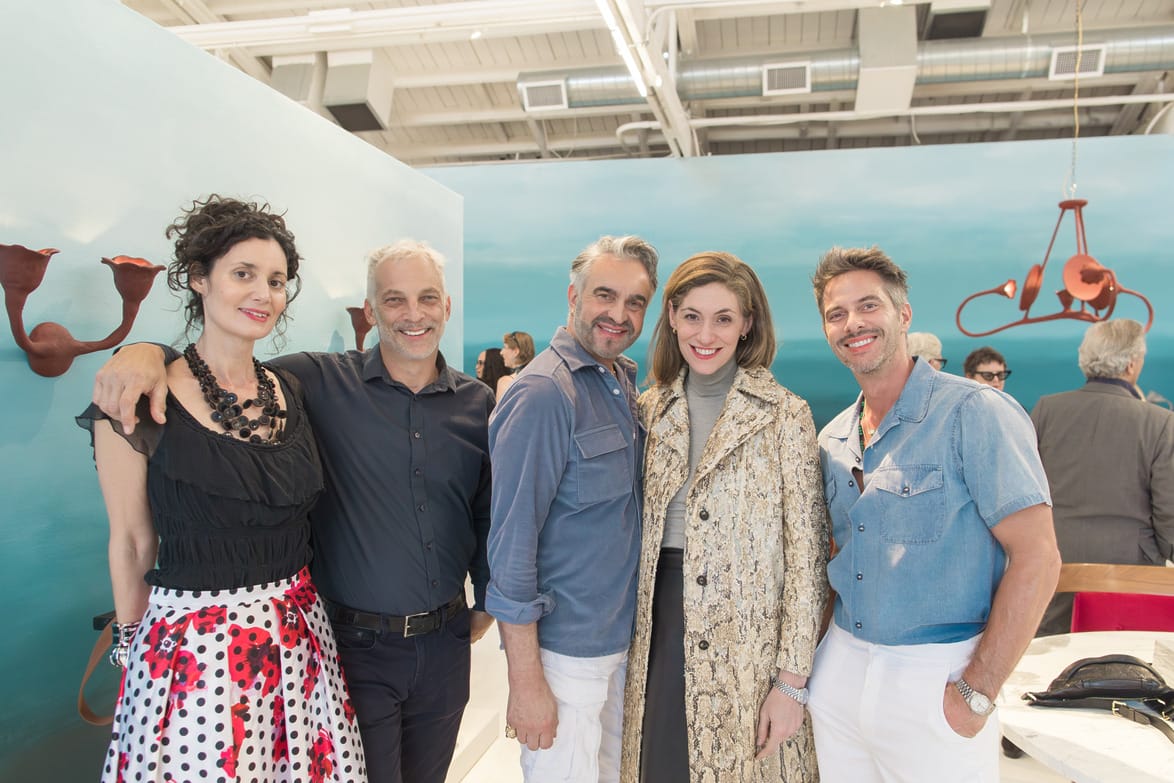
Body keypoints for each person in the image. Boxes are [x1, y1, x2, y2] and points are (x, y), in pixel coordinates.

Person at [91, 240, 495, 783]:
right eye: (394, 299)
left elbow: (486, 510)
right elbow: (217, 365)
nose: (413, 314)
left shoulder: (478, 402)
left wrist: (487, 599)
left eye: (427, 298)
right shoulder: (315, 381)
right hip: (352, 646)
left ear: (446, 306)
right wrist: (143, 349)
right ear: (371, 311)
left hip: (443, 643)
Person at [78, 195, 366, 782]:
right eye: (243, 274)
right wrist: (131, 650)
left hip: (300, 639)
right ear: (198, 279)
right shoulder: (135, 398)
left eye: (276, 281)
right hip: (195, 652)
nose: (264, 293)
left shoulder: (290, 389)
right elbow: (131, 541)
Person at [807, 246, 1060, 782]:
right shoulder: (832, 438)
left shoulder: (976, 412)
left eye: (868, 306)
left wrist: (977, 692)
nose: (853, 324)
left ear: (903, 314)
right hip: (839, 673)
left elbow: (1037, 557)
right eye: (836, 314)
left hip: (936, 677)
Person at [621, 251, 828, 782]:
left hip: (749, 643)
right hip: (657, 628)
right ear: (672, 317)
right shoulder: (648, 409)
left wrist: (791, 683)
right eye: (692, 316)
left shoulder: (785, 415)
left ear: (747, 324)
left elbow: (807, 561)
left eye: (724, 318)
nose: (706, 334)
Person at [487, 235, 658, 783]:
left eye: (635, 302)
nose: (619, 314)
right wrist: (525, 680)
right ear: (573, 296)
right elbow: (511, 545)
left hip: (618, 644)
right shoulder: (542, 392)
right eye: (605, 295)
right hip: (563, 658)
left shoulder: (619, 381)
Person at [1031, 319, 1174, 635]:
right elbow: (1168, 512)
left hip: (1056, 565)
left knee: (1052, 655)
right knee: (1124, 658)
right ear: (1131, 364)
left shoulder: (1046, 410)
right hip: (1130, 573)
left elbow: (1027, 491)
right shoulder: (1160, 422)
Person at [496, 330, 536, 398]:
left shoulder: (505, 382)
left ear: (516, 352)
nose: (501, 352)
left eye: (505, 347)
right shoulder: (540, 380)